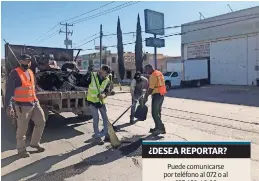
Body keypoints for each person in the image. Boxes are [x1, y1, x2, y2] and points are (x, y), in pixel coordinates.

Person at [5, 54, 46, 158]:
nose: (27, 63)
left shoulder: (31, 72)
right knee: (22, 129)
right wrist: (9, 105)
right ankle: (21, 150)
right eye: (25, 61)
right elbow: (9, 90)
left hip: (34, 102)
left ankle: (34, 143)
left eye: (28, 61)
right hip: (22, 106)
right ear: (20, 61)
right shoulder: (15, 73)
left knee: (41, 121)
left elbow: (32, 87)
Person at [85, 65, 111, 144]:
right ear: (101, 70)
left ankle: (106, 134)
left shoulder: (107, 80)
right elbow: (84, 81)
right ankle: (97, 137)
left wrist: (104, 95)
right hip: (92, 101)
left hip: (100, 102)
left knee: (105, 118)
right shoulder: (92, 76)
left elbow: (107, 91)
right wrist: (88, 73)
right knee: (96, 118)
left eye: (107, 74)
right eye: (105, 73)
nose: (106, 75)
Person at [143, 64, 167, 136]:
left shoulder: (153, 75)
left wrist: (146, 97)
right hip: (162, 94)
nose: (146, 72)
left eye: (146, 70)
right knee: (158, 112)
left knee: (154, 113)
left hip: (156, 95)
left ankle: (161, 128)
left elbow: (151, 89)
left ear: (149, 68)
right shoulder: (159, 73)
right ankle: (157, 127)